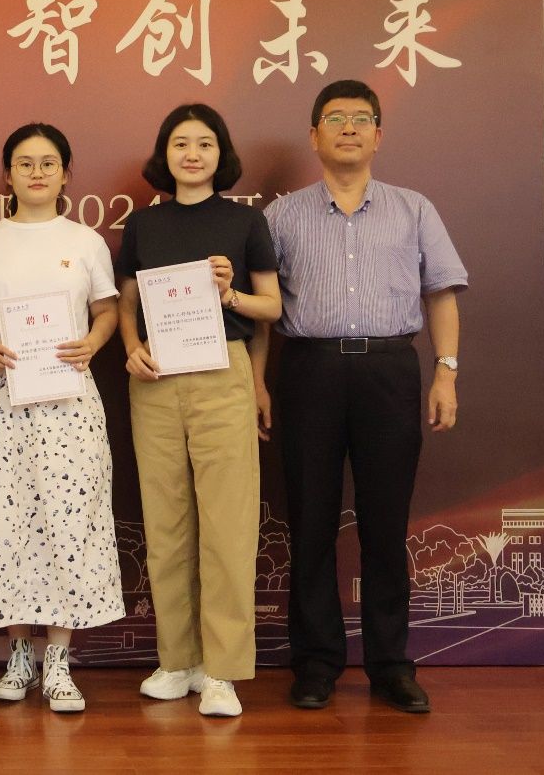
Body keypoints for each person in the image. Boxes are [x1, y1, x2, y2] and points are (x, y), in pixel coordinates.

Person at [261, 79, 466, 714]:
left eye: (360, 118)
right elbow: (263, 311)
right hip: (308, 372)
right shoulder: (281, 216)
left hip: (388, 371)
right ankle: (315, 663)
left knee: (385, 525)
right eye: (334, 118)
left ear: (378, 134)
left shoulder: (414, 209)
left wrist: (446, 372)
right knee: (311, 522)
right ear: (313, 135)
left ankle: (390, 666)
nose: (348, 128)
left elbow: (441, 291)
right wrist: (257, 383)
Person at [0, 123, 125, 713]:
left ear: (66, 173)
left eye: (49, 163)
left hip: (67, 399)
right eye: (24, 163)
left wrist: (93, 342)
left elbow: (107, 309)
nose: (37, 172)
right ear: (8, 175)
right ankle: (18, 652)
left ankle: (59, 659)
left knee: (69, 523)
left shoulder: (86, 241)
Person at [116, 103, 281, 718]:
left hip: (222, 373)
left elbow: (272, 309)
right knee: (166, 525)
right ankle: (176, 661)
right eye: (180, 143)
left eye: (204, 143)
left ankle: (222, 671)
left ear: (221, 154)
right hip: (157, 377)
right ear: (165, 153)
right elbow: (126, 302)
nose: (192, 153)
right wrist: (131, 347)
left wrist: (230, 293)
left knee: (227, 525)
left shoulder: (245, 222)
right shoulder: (143, 225)